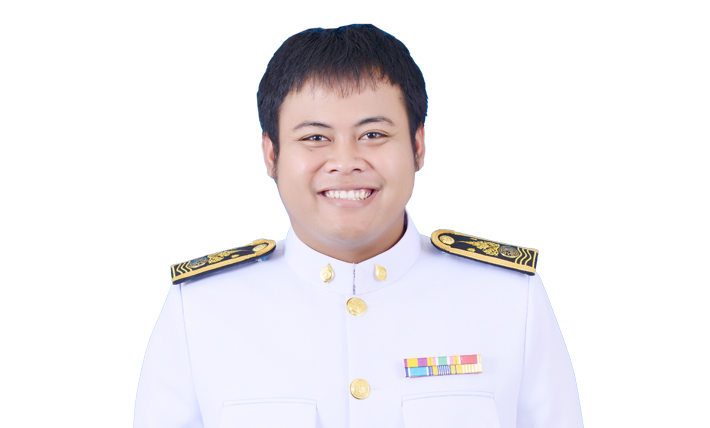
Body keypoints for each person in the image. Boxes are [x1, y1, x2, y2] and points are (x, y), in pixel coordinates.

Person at [134, 24, 583, 428]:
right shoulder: (200, 310)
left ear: (418, 145)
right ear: (271, 154)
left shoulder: (509, 299)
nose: (345, 162)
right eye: (315, 137)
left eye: (373, 135)